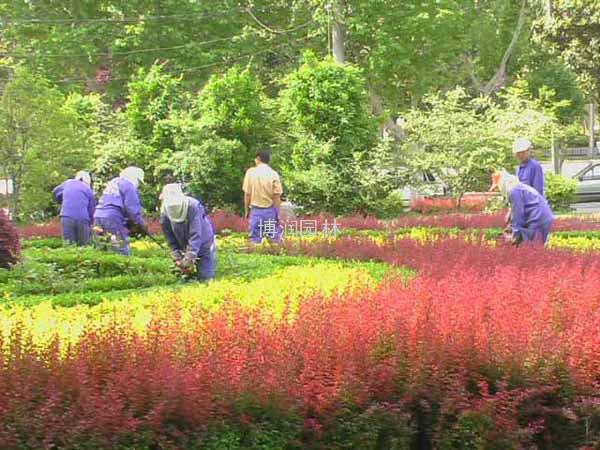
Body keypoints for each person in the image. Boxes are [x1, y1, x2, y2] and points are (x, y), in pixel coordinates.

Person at [160, 183, 217, 282]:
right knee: (185, 281)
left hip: (204, 243)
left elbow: (196, 234)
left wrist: (190, 256)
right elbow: (169, 237)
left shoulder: (193, 206)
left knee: (205, 277)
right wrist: (176, 255)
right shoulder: (164, 213)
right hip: (183, 244)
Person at [490, 170, 554, 245]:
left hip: (538, 217)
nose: (498, 189)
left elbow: (518, 213)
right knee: (533, 247)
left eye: (497, 186)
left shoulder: (514, 191)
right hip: (542, 216)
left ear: (502, 183)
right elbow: (516, 210)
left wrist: (515, 233)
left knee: (532, 248)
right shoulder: (518, 188)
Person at [93, 166, 147, 256]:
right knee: (120, 248)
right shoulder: (128, 185)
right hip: (112, 220)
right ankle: (125, 268)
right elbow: (132, 208)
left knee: (101, 249)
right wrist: (141, 223)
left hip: (98, 217)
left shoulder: (113, 182)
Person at [242, 150, 283, 243]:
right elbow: (277, 196)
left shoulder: (250, 173)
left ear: (258, 159)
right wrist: (277, 213)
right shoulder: (273, 174)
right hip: (270, 210)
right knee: (274, 239)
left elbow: (247, 194)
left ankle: (255, 255)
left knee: (254, 239)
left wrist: (247, 211)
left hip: (256, 210)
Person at [52, 171, 95, 246]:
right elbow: (91, 210)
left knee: (68, 245)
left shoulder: (68, 183)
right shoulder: (88, 190)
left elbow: (55, 192)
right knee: (84, 246)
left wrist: (61, 201)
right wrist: (90, 223)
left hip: (66, 217)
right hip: (83, 218)